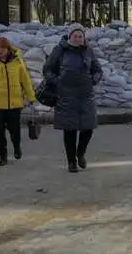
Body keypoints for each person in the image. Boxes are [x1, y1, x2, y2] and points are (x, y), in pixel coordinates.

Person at [43, 23, 102, 172]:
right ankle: (71, 162)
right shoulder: (60, 50)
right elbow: (47, 69)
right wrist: (57, 82)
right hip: (66, 96)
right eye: (75, 36)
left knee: (88, 128)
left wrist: (93, 80)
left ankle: (80, 153)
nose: (78, 39)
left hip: (85, 95)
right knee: (70, 130)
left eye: (80, 36)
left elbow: (98, 70)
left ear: (84, 38)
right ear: (70, 37)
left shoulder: (88, 51)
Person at [0, 37, 37, 166]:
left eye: (3, 48)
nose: (0, 51)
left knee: (14, 130)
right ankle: (2, 156)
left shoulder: (17, 62)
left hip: (14, 104)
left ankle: (16, 147)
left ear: (8, 49)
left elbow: (25, 81)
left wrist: (30, 97)